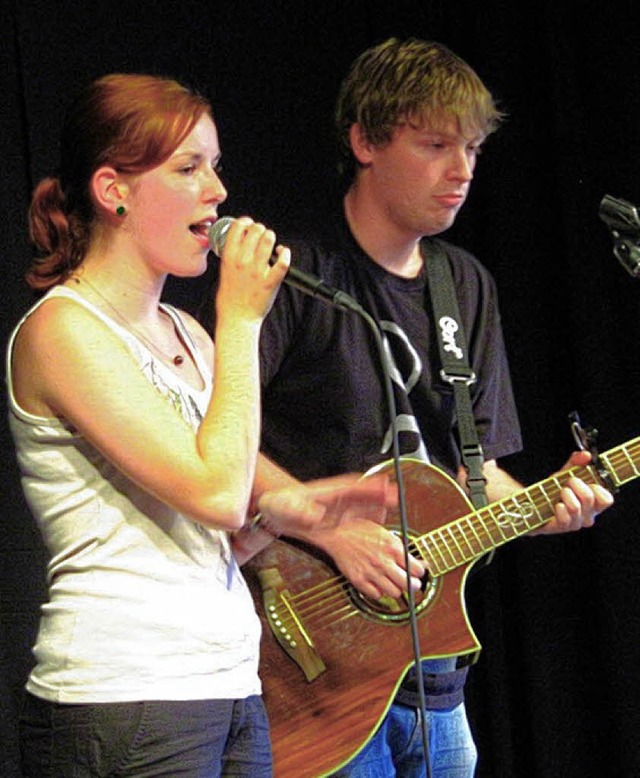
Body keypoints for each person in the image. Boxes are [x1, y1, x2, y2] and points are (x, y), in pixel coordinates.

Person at [203, 39, 615, 777]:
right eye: (435, 146)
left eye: (473, 150)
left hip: (434, 678)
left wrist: (550, 505)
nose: (461, 173)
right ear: (365, 141)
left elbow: (476, 475)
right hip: (310, 667)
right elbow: (211, 442)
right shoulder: (294, 276)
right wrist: (333, 534)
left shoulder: (468, 286)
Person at [5, 72, 398, 778]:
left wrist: (300, 511)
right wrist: (243, 317)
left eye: (215, 166)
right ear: (113, 189)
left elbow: (227, 511)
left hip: (229, 684)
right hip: (125, 695)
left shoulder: (187, 332)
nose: (217, 191)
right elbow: (216, 492)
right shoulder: (65, 331)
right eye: (188, 167)